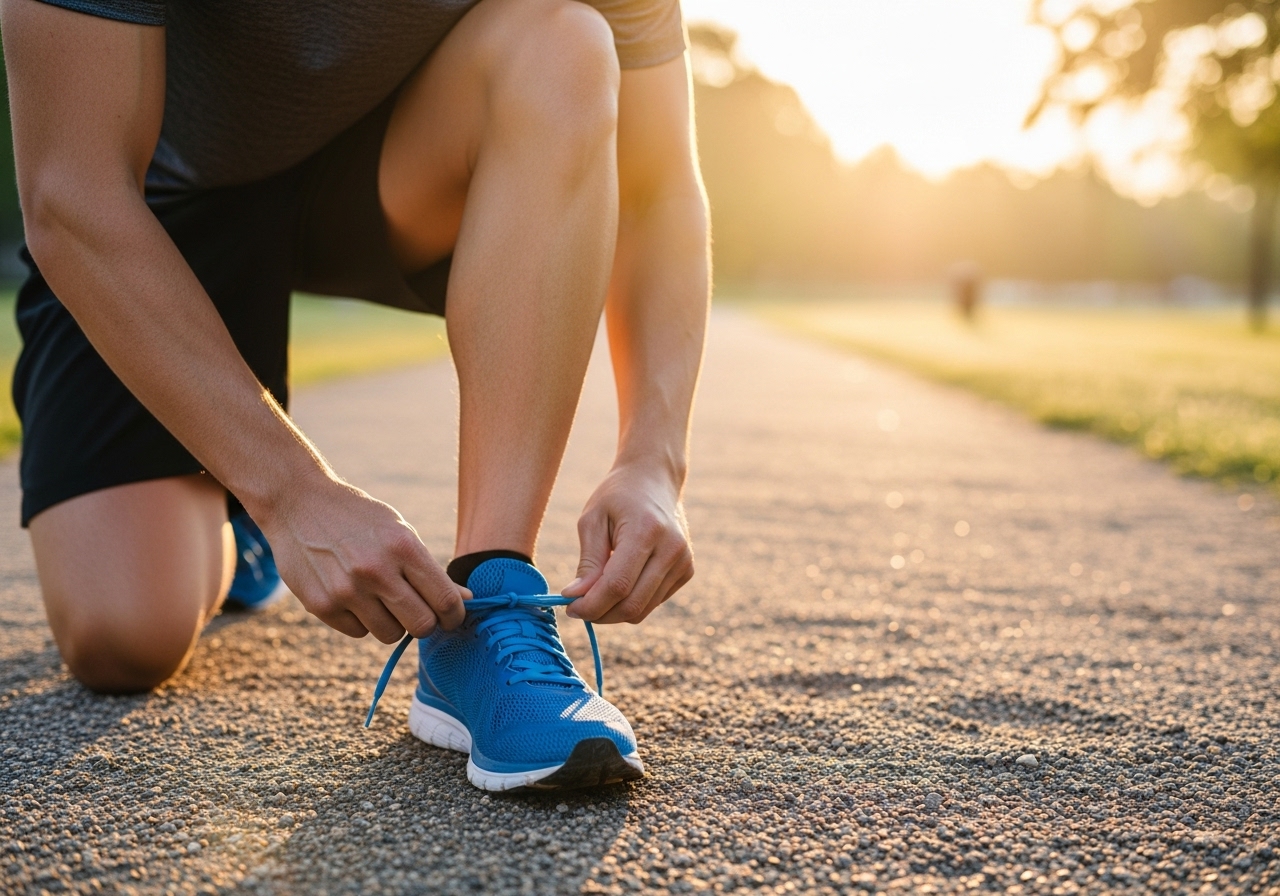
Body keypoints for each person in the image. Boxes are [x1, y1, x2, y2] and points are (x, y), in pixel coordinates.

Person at [1, 0, 709, 791]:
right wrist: (289, 495)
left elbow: (654, 188)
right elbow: (72, 192)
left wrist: (654, 460)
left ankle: (491, 598)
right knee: (123, 638)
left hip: (402, 168)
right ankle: (242, 519)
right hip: (161, 205)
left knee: (565, 43)